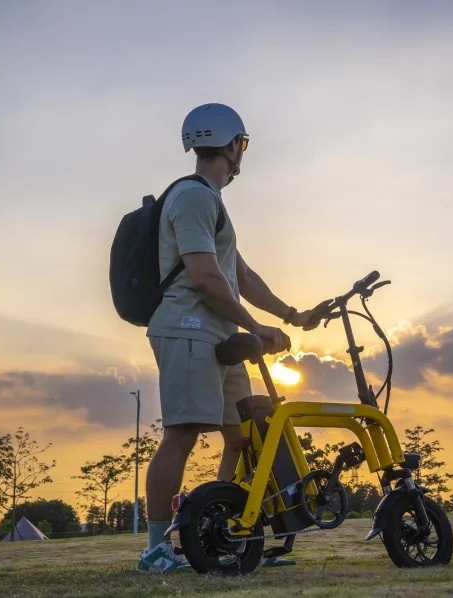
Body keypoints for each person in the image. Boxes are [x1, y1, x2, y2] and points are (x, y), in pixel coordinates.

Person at [138, 103, 318, 573]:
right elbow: (204, 278)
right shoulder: (194, 198)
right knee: (181, 435)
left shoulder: (214, 204)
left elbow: (239, 274)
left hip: (218, 335)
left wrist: (290, 315)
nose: (243, 155)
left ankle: (225, 532)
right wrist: (255, 328)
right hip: (189, 329)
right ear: (233, 145)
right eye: (243, 145)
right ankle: (156, 549)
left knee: (238, 438)